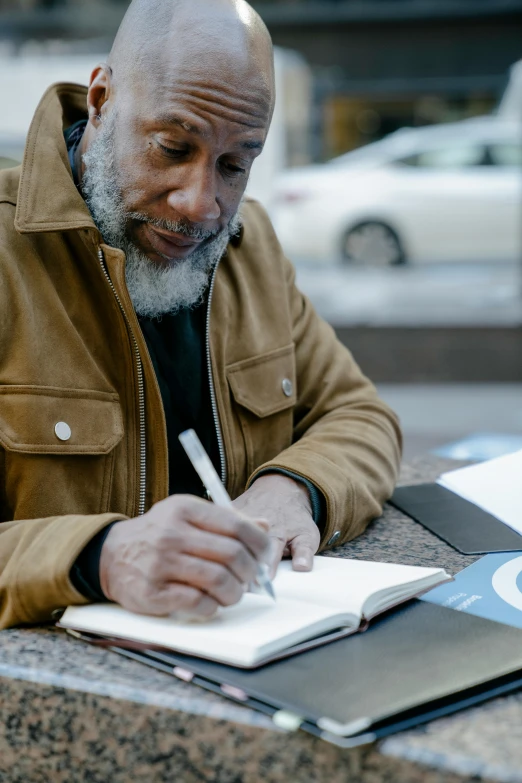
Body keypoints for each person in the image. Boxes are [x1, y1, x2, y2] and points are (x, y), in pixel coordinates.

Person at [0, 0, 401, 629]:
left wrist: (295, 487)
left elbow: (360, 413)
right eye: (171, 147)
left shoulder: (252, 245)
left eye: (236, 163)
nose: (200, 205)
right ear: (101, 102)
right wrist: (98, 557)